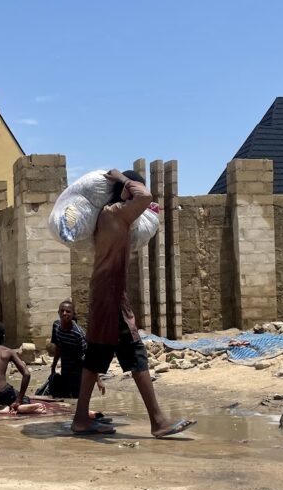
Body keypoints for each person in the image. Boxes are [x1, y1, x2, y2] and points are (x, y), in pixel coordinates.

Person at [72, 169, 195, 437]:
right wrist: (123, 179)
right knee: (135, 353)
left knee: (96, 355)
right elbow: (147, 196)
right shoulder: (116, 212)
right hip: (112, 293)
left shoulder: (110, 215)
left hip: (105, 291)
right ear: (126, 190)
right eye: (135, 185)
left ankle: (81, 418)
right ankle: (158, 422)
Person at [47, 300, 104, 399]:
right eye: (62, 311)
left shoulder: (78, 334)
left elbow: (88, 356)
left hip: (78, 371)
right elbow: (58, 347)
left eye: (68, 311)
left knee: (76, 398)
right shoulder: (56, 326)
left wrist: (98, 380)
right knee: (64, 398)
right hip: (65, 369)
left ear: (73, 315)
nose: (65, 313)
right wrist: (53, 367)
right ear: (58, 313)